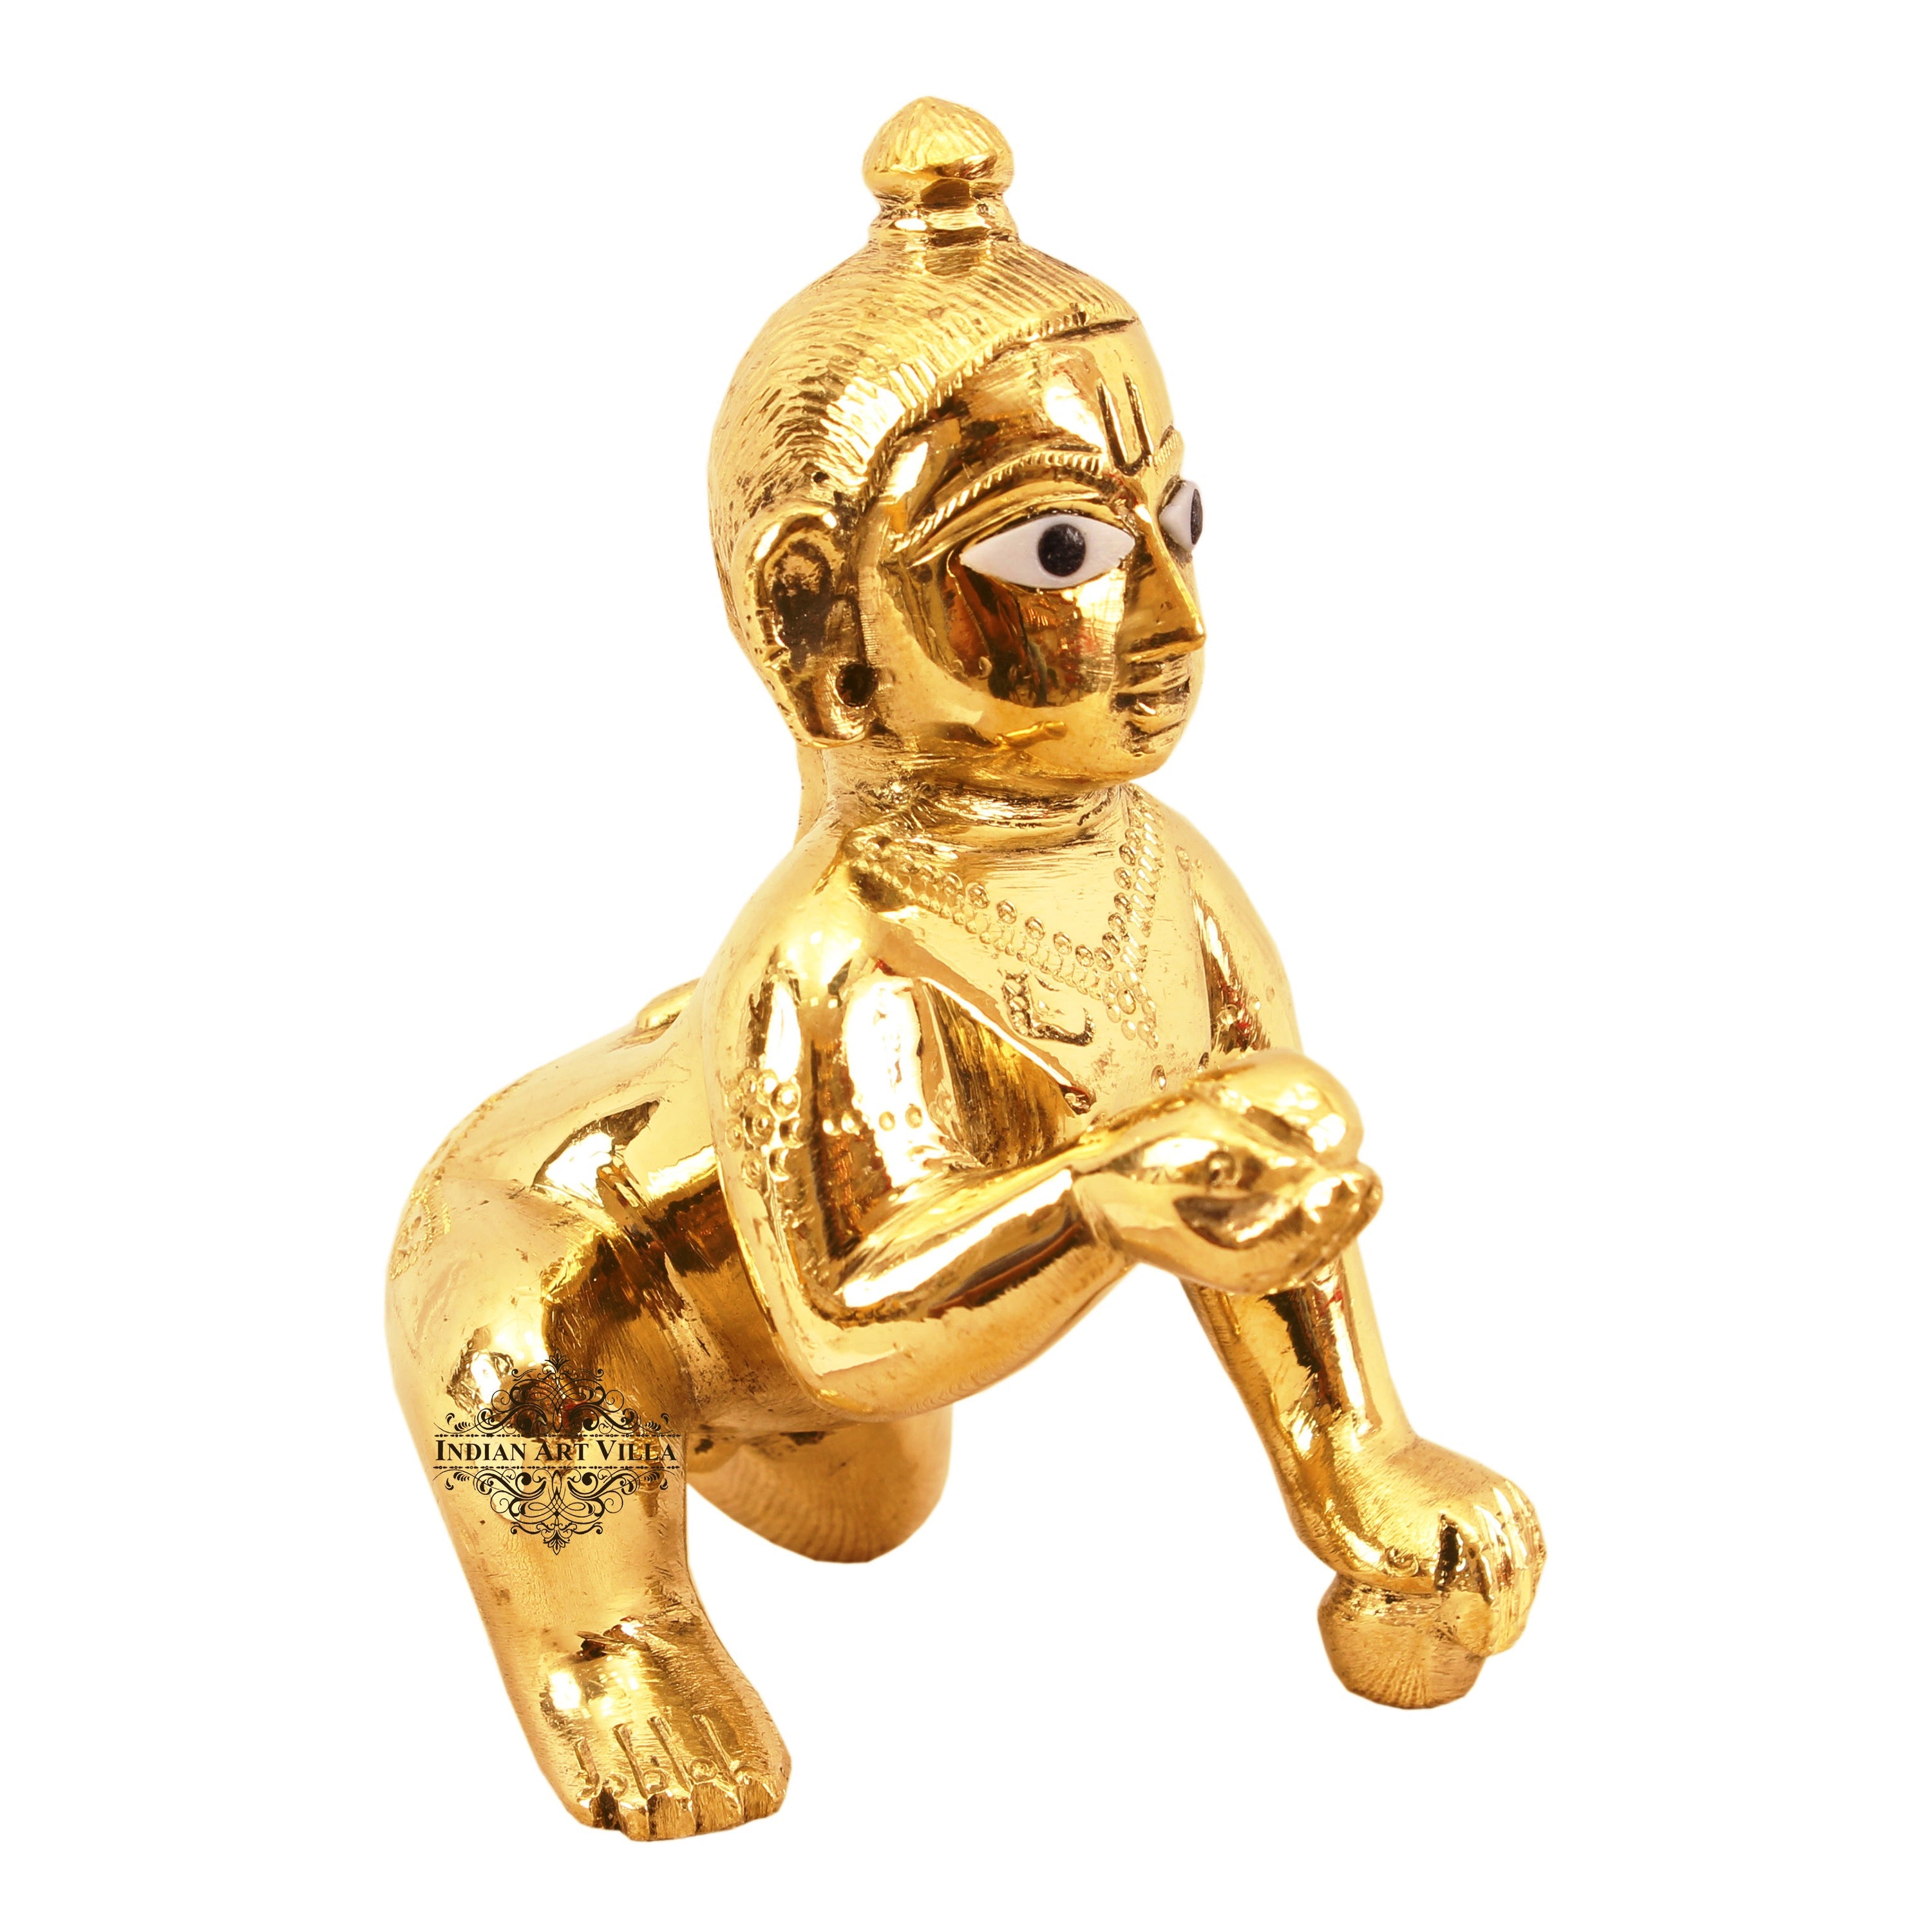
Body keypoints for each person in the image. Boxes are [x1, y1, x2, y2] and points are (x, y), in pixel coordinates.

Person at [388, 97, 1543, 1841]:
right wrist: (1099, 1193)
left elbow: (1269, 1196)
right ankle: (606, 1637)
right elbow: (844, 1327)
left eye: (1177, 518)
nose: (1174, 620)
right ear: (818, 622)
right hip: (590, 1273)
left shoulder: (1170, 876)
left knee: (873, 1518)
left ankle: (708, 1446)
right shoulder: (833, 939)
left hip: (830, 1402)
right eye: (1058, 552)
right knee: (532, 1355)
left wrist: (1350, 1457)